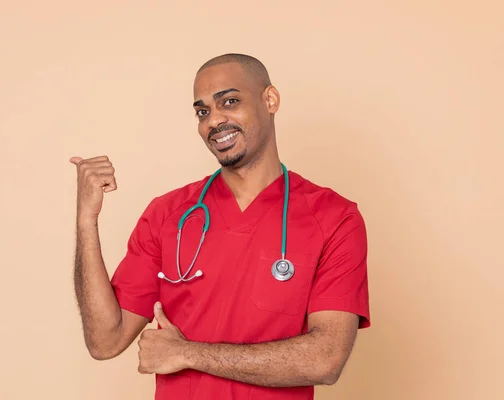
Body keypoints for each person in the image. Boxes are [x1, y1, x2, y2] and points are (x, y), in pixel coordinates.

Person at [69, 53, 371, 400]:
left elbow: (325, 359)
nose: (215, 121)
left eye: (230, 102)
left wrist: (187, 353)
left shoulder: (335, 218)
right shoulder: (169, 215)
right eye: (203, 112)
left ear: (270, 100)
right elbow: (105, 341)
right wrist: (86, 221)